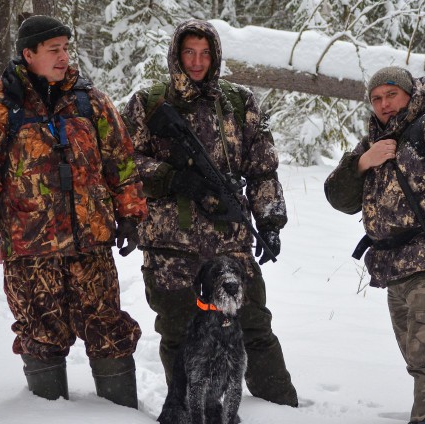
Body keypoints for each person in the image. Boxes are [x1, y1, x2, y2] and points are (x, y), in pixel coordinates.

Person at [0, 15, 147, 407]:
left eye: (65, 47)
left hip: (91, 248)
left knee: (109, 333)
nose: (63, 56)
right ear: (29, 55)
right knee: (41, 337)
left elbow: (121, 160)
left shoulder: (90, 101)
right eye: (53, 49)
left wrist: (130, 213)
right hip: (30, 254)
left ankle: (124, 415)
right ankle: (44, 415)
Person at [122, 19, 298, 407]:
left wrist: (269, 220)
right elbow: (122, 163)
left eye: (205, 53)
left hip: (230, 246)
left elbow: (262, 167)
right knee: (179, 334)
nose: (197, 61)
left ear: (215, 55)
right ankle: (190, 412)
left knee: (253, 328)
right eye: (189, 52)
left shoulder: (238, 102)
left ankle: (281, 410)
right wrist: (172, 178)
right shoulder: (148, 103)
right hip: (171, 247)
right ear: (176, 54)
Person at [325, 66, 425, 424]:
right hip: (394, 268)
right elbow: (337, 197)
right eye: (376, 99)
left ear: (409, 94)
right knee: (422, 357)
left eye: (391, 95)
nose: (384, 104)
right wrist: (363, 162)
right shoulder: (374, 141)